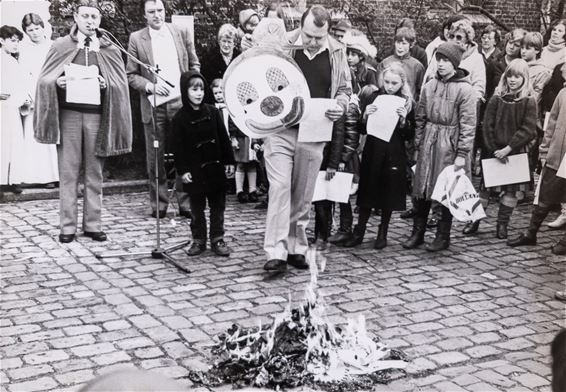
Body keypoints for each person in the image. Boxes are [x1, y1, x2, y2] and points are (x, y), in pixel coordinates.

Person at [34, 0, 133, 243]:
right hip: (68, 116)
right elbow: (44, 80)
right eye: (86, 16)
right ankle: (67, 227)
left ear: (100, 21)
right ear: (76, 18)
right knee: (68, 172)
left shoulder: (108, 48)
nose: (90, 21)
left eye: (95, 17)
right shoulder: (61, 46)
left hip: (96, 116)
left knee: (94, 172)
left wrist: (105, 84)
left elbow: (120, 84)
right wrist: (57, 82)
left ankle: (93, 224)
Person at [263, 5, 351, 272]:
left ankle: (295, 247)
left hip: (315, 131)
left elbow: (345, 89)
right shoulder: (282, 45)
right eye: (309, 36)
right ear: (301, 26)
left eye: (319, 38)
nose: (313, 42)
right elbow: (263, 76)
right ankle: (276, 253)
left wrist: (341, 105)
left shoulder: (337, 51)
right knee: (280, 188)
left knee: (303, 194)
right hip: (281, 129)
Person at [127, 0, 200, 219]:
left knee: (185, 153)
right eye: (152, 12)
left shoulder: (180, 32)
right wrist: (150, 86)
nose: (157, 15)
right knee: (155, 156)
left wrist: (191, 89)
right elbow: (130, 75)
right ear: (145, 15)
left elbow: (194, 64)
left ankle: (186, 202)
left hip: (180, 102)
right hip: (153, 105)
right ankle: (159, 204)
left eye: (160, 10)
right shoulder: (136, 39)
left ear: (165, 11)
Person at [403, 42, 477, 252]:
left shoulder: (465, 89)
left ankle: (442, 235)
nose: (441, 64)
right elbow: (420, 117)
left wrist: (462, 153)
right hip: (429, 141)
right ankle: (417, 232)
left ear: (454, 63)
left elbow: (468, 124)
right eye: (439, 59)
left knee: (445, 189)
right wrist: (418, 142)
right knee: (422, 187)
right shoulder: (429, 86)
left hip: (449, 145)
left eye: (446, 60)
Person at [344, 62, 415, 249]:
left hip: (393, 152)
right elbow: (362, 129)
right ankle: (359, 230)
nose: (390, 87)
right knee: (368, 189)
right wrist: (365, 116)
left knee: (388, 191)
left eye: (394, 83)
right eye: (387, 82)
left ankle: (382, 232)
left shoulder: (406, 102)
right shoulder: (374, 97)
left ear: (402, 83)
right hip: (373, 150)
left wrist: (403, 121)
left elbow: (409, 134)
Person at [471, 59, 537, 238]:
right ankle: (474, 221)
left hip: (514, 153)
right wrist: (493, 149)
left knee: (511, 191)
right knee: (484, 189)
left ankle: (502, 225)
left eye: (517, 76)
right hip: (494, 151)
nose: (513, 80)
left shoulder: (529, 101)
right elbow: (487, 125)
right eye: (510, 76)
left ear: (525, 78)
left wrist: (509, 148)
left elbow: (528, 129)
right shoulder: (496, 98)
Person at [172, 71, 235, 257]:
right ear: (186, 91)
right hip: (195, 171)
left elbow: (224, 139)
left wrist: (229, 161)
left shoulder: (214, 112)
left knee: (218, 206)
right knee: (197, 209)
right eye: (194, 89)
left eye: (201, 89)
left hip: (215, 169)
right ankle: (198, 240)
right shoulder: (179, 118)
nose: (198, 93)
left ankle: (218, 238)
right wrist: (183, 170)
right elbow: (178, 148)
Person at [508, 82, 566, 256]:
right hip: (557, 155)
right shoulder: (563, 93)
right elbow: (552, 123)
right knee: (545, 195)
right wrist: (545, 149)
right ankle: (530, 233)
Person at [19, 13, 59, 188]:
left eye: (37, 29)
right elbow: (22, 74)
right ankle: (34, 176)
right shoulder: (23, 49)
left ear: (43, 28)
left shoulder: (53, 47)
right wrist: (27, 96)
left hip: (52, 94)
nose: (34, 33)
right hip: (32, 96)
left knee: (52, 135)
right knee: (33, 135)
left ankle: (54, 175)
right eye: (30, 30)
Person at [326, 97, 361, 246]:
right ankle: (339, 228)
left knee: (343, 195)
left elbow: (352, 137)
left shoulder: (350, 107)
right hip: (336, 156)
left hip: (345, 159)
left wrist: (342, 159)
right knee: (335, 193)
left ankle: (345, 229)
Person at [424, 19, 485, 101]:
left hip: (463, 101)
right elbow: (428, 78)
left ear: (467, 39)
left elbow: (478, 87)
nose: (454, 40)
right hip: (438, 100)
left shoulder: (476, 58)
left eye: (459, 37)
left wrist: (469, 102)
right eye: (452, 36)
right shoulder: (440, 53)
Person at [0, 26, 28, 195]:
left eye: (17, 41)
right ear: (1, 40)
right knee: (2, 144)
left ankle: (13, 180)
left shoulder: (12, 61)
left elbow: (19, 83)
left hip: (12, 107)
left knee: (14, 143)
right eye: (12, 41)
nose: (16, 44)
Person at [378, 27, 425, 101]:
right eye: (398, 43)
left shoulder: (417, 66)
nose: (400, 47)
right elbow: (380, 87)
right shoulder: (384, 63)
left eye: (404, 44)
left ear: (411, 45)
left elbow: (420, 91)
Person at [521, 32, 552, 104]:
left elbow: (536, 97)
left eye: (528, 49)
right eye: (522, 48)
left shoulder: (542, 72)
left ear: (537, 50)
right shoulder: (517, 65)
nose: (523, 51)